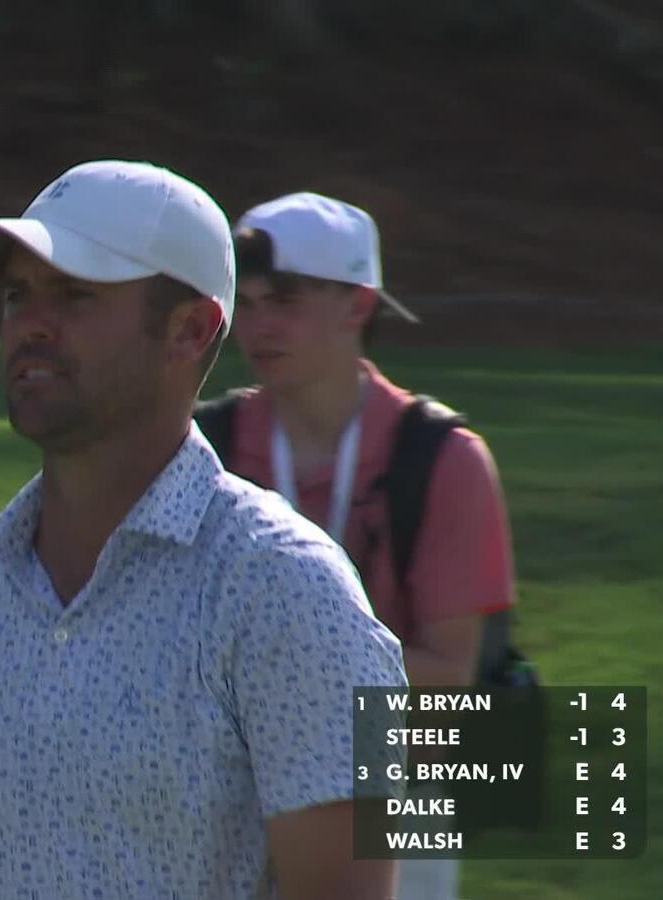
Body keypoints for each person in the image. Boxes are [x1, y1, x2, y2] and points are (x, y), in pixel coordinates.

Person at [0, 161, 407, 900]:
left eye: (75, 294)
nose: (31, 324)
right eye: (18, 295)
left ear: (190, 329)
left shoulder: (283, 594)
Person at [208, 191, 518, 900]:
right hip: (231, 786)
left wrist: (276, 648)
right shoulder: (207, 449)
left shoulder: (442, 458)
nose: (257, 325)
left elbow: (448, 678)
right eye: (245, 302)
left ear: (357, 304)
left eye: (283, 299)